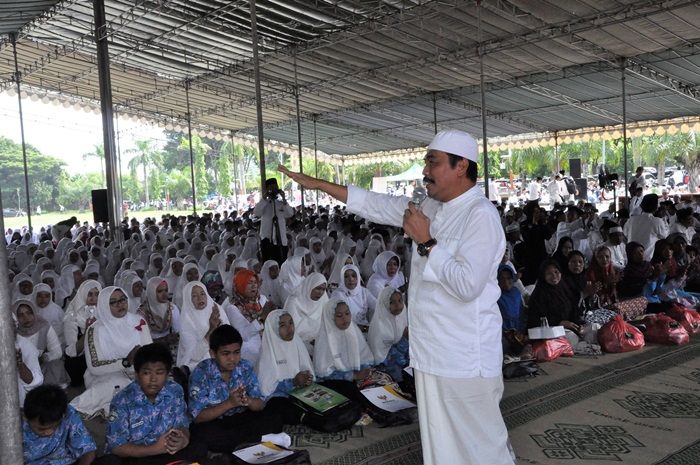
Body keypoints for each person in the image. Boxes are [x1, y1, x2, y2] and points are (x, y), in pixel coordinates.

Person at [280, 129, 515, 464]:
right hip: (434, 353)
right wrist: (321, 185)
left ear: (461, 166)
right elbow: (378, 204)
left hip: (465, 357)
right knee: (443, 444)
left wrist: (428, 242)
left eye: (432, 162)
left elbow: (467, 285)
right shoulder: (432, 206)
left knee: (481, 444)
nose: (425, 170)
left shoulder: (480, 216)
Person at [99, 344, 208, 465]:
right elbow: (117, 447)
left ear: (167, 374)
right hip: (137, 456)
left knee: (199, 446)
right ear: (137, 374)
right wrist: (154, 449)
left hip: (166, 452)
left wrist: (183, 440)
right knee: (110, 462)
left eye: (159, 373)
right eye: (146, 373)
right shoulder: (122, 400)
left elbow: (182, 424)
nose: (153, 379)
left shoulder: (175, 390)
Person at [188, 324, 283, 453]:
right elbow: (198, 416)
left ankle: (247, 442)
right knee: (201, 434)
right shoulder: (201, 373)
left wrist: (247, 400)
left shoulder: (245, 367)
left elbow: (260, 404)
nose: (232, 359)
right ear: (212, 353)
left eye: (236, 352)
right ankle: (257, 440)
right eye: (225, 353)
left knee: (274, 417)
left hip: (241, 417)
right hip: (215, 421)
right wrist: (229, 403)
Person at [256, 309, 314, 425]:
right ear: (273, 329)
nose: (289, 328)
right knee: (282, 409)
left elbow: (306, 369)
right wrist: (293, 382)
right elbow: (266, 390)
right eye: (283, 325)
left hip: (300, 392)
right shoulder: (268, 353)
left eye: (291, 323)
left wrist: (307, 378)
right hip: (278, 396)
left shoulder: (296, 343)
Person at [22, 385, 97, 465]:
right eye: (41, 429)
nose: (49, 432)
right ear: (26, 418)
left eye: (54, 426)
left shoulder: (68, 413)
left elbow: (88, 450)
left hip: (65, 461)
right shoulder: (15, 425)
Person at [368, 287, 409, 382]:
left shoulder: (402, 318)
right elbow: (384, 359)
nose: (397, 305)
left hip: (402, 362)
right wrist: (404, 340)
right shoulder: (379, 327)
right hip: (386, 370)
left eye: (400, 300)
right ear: (384, 304)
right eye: (392, 302)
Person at [254, 178, 294, 264]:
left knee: (282, 263)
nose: (273, 190)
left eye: (275, 187)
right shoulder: (264, 204)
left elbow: (290, 213)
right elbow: (256, 213)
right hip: (267, 239)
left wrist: (284, 199)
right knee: (268, 264)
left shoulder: (281, 203)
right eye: (271, 188)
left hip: (281, 240)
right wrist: (264, 198)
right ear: (267, 189)